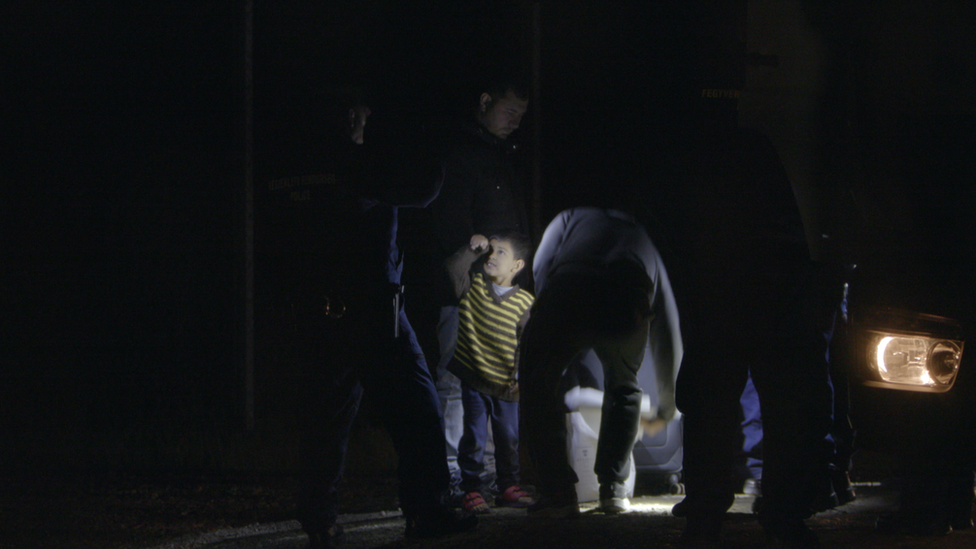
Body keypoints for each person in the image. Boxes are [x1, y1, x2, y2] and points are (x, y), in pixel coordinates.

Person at [278, 94, 476, 548]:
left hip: (319, 309)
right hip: (371, 310)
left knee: (327, 420)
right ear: (351, 118)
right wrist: (434, 142)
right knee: (419, 409)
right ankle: (426, 511)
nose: (368, 120)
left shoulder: (298, 168)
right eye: (363, 113)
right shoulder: (354, 165)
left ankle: (319, 519)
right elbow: (423, 188)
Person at [648, 107, 839, 548]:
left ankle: (708, 514)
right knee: (784, 409)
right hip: (775, 295)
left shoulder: (700, 167)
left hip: (725, 296)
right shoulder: (763, 161)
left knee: (711, 407)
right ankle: (781, 514)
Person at [409, 75, 531, 496]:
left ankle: (491, 478)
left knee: (496, 382)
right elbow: (450, 227)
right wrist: (470, 280)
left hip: (500, 290)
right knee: (457, 382)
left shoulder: (499, 153)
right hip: (466, 292)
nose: (516, 121)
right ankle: (456, 477)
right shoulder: (460, 152)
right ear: (484, 101)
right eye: (510, 111)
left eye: (522, 115)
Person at [518, 207, 682, 518]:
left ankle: (558, 492)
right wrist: (667, 407)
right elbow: (667, 326)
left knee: (537, 381)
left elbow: (542, 262)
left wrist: (546, 311)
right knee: (624, 386)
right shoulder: (642, 235)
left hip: (570, 285)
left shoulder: (570, 216)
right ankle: (613, 490)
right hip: (628, 294)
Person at [443, 229, 536, 514]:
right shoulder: (474, 286)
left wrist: (521, 379)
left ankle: (508, 485)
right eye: (491, 251)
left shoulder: (525, 303)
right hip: (474, 379)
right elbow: (451, 268)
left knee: (508, 439)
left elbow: (526, 346)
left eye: (500, 252)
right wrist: (474, 250)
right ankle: (472, 488)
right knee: (474, 437)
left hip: (507, 385)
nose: (492, 256)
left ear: (517, 266)